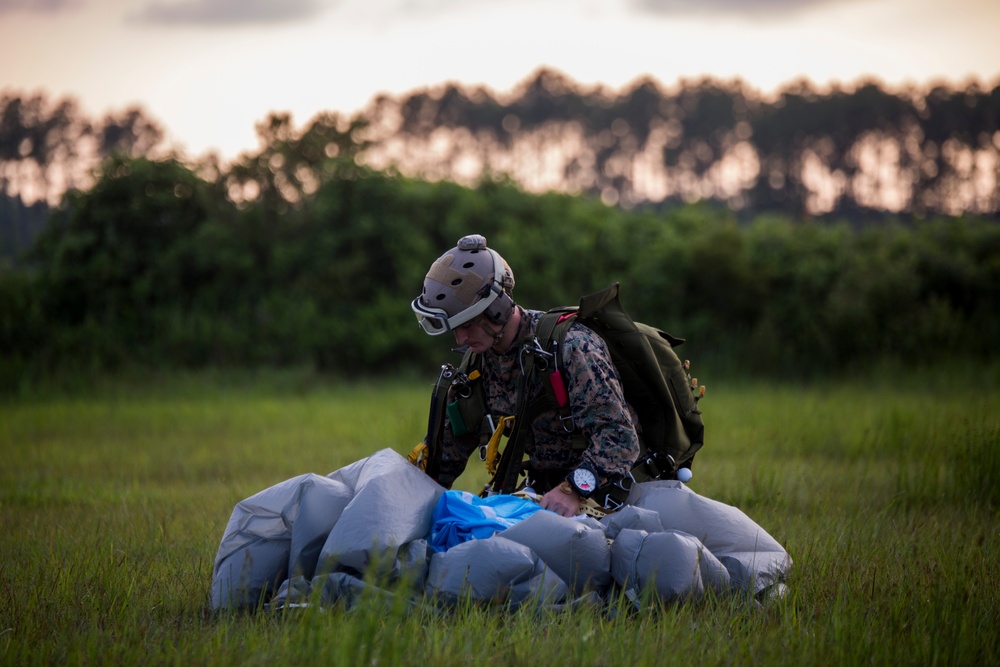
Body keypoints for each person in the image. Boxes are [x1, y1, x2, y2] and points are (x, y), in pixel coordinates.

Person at [410, 234, 640, 517]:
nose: (460, 337)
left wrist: (574, 489)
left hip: (612, 490)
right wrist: (411, 495)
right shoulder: (477, 365)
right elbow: (446, 454)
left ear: (496, 309)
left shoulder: (571, 348)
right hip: (545, 493)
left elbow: (620, 438)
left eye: (467, 324)